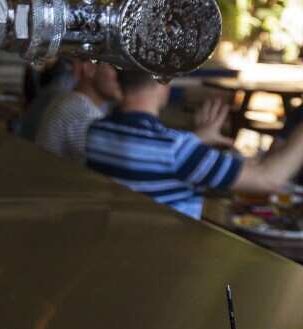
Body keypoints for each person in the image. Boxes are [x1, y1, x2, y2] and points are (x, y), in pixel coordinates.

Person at [86, 70, 303, 219]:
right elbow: (268, 179)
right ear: (164, 81)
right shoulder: (176, 149)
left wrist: (196, 138)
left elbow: (151, 157)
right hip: (171, 260)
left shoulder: (97, 131)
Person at [35, 58, 120, 162]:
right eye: (115, 67)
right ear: (89, 68)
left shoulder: (70, 102)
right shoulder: (82, 114)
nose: (120, 77)